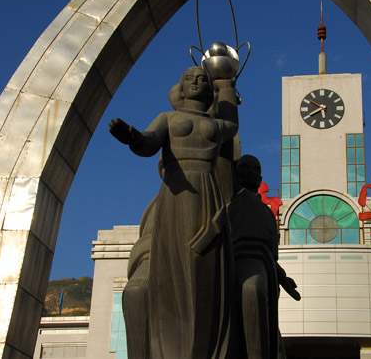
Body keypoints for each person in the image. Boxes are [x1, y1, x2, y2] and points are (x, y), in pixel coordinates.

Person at [110, 67, 239, 359]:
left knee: (206, 267)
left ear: (209, 91)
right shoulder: (168, 119)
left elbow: (232, 123)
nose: (195, 81)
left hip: (207, 191)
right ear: (179, 89)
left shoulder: (216, 124)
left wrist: (227, 84)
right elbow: (147, 142)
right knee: (173, 268)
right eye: (189, 78)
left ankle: (209, 348)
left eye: (202, 79)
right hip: (175, 193)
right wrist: (131, 136)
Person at [228, 155, 300, 359]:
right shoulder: (229, 201)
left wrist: (282, 277)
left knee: (267, 324)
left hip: (266, 268)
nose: (250, 172)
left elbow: (270, 254)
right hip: (239, 263)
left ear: (260, 179)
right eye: (244, 168)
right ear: (235, 174)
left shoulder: (268, 213)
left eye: (254, 169)